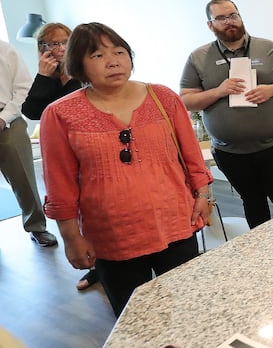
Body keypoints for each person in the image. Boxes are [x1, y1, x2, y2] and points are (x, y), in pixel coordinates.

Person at [40, 22, 213, 317]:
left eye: (119, 52)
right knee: (135, 321)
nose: (113, 61)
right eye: (97, 56)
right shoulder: (60, 115)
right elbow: (60, 185)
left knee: (191, 308)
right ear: (78, 64)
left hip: (176, 223)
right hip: (113, 237)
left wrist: (203, 194)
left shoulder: (163, 98)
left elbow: (191, 155)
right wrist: (71, 238)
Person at [180, 0, 273, 229]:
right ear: (210, 25)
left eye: (233, 15)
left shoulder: (268, 48)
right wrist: (219, 91)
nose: (230, 22)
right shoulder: (198, 57)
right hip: (231, 153)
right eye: (221, 18)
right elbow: (186, 100)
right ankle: (261, 256)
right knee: (253, 203)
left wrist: (271, 90)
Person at [22, 22, 99, 291]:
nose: (58, 49)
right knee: (78, 212)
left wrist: (68, 77)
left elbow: (75, 106)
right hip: (63, 158)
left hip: (92, 152)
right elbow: (32, 111)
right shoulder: (49, 76)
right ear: (42, 49)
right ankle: (96, 266)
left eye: (63, 41)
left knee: (98, 209)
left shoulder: (87, 70)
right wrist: (44, 77)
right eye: (51, 44)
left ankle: (106, 265)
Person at [0, 39, 58, 248]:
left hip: (8, 119)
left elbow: (24, 88)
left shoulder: (5, 50)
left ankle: (37, 227)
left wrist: (3, 118)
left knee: (23, 176)